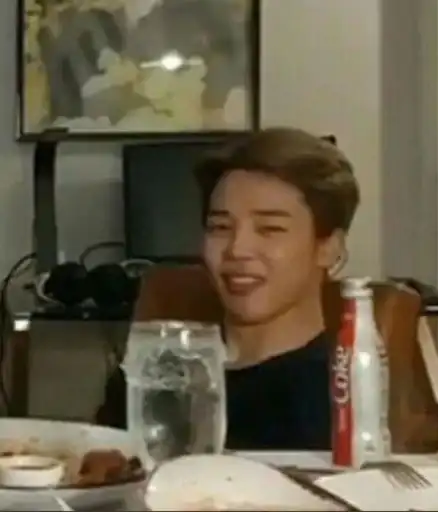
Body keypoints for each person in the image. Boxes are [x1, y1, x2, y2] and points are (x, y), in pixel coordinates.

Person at [96, 127, 360, 450]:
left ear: (329, 248)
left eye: (270, 229)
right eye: (220, 227)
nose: (237, 249)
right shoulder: (156, 375)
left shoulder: (345, 394)